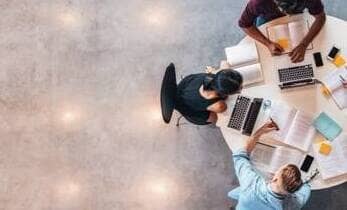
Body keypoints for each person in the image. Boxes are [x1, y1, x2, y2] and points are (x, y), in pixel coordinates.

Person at [228, 122, 311, 210]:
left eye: (278, 170)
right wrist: (305, 185)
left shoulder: (251, 184)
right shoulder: (292, 205)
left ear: (275, 179)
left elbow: (239, 156)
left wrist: (259, 132)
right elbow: (305, 191)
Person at [238, 0, 326, 63]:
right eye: (283, 9)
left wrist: (304, 44)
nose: (288, 15)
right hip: (266, 20)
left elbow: (320, 17)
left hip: (297, 20)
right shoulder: (258, 3)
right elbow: (244, 24)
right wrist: (268, 43)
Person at [175, 69, 243, 125]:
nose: (241, 89)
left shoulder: (211, 77)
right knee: (215, 118)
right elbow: (222, 110)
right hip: (189, 111)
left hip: (184, 88)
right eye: (238, 90)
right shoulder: (220, 105)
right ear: (225, 93)